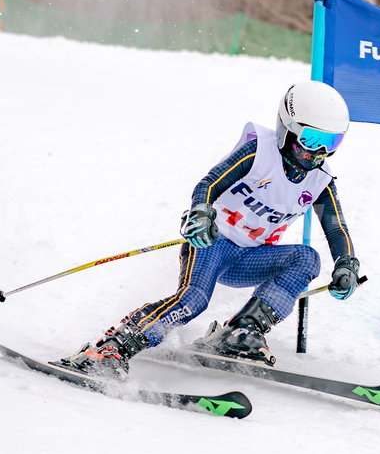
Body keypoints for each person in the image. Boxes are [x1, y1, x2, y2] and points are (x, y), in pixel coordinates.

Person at [60, 82, 361, 374]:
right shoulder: (260, 152)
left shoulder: (320, 180)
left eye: (331, 143)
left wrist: (346, 264)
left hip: (250, 259)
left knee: (307, 258)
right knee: (193, 301)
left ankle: (241, 332)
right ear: (287, 129)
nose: (318, 151)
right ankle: (111, 347)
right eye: (309, 139)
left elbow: (336, 228)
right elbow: (209, 183)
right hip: (211, 244)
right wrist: (201, 214)